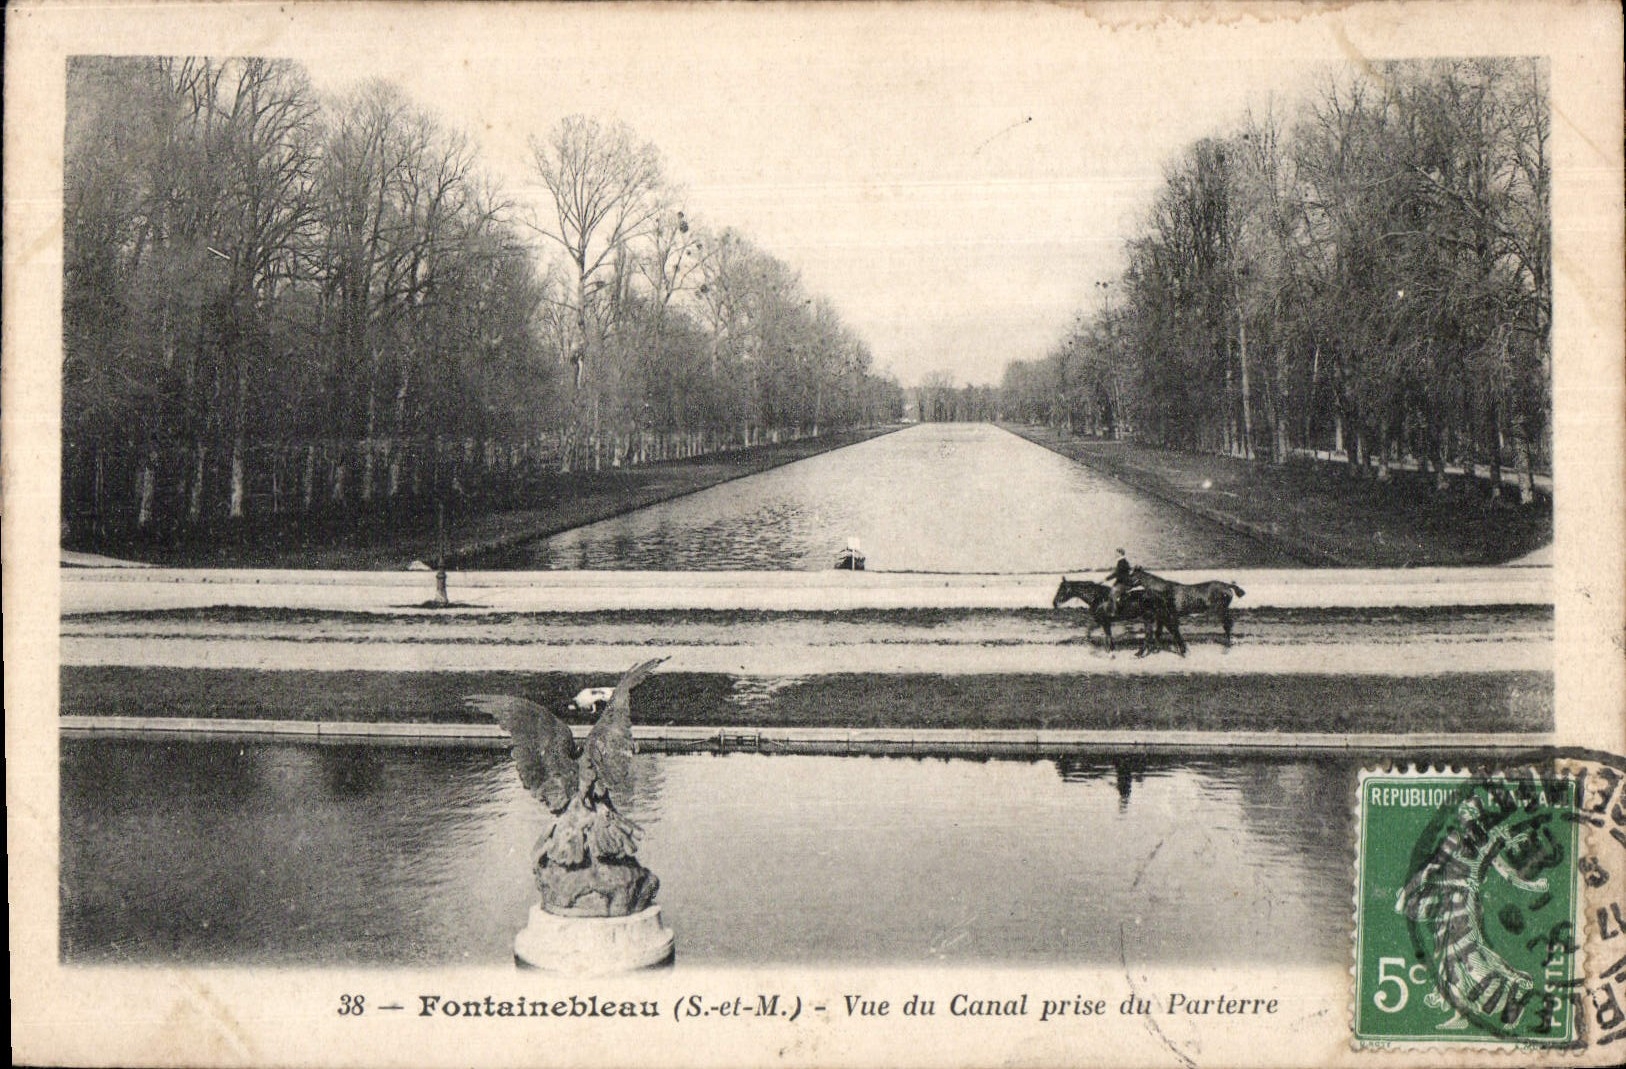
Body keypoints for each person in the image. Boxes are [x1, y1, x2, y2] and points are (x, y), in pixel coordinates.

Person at [1104, 548, 1133, 618]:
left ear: (1120, 553)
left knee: (1113, 594)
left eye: (1116, 553)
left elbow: (1116, 574)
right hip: (1122, 582)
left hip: (1123, 583)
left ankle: (1114, 613)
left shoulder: (1122, 562)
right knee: (1113, 593)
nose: (1115, 554)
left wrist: (1105, 579)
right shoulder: (1122, 561)